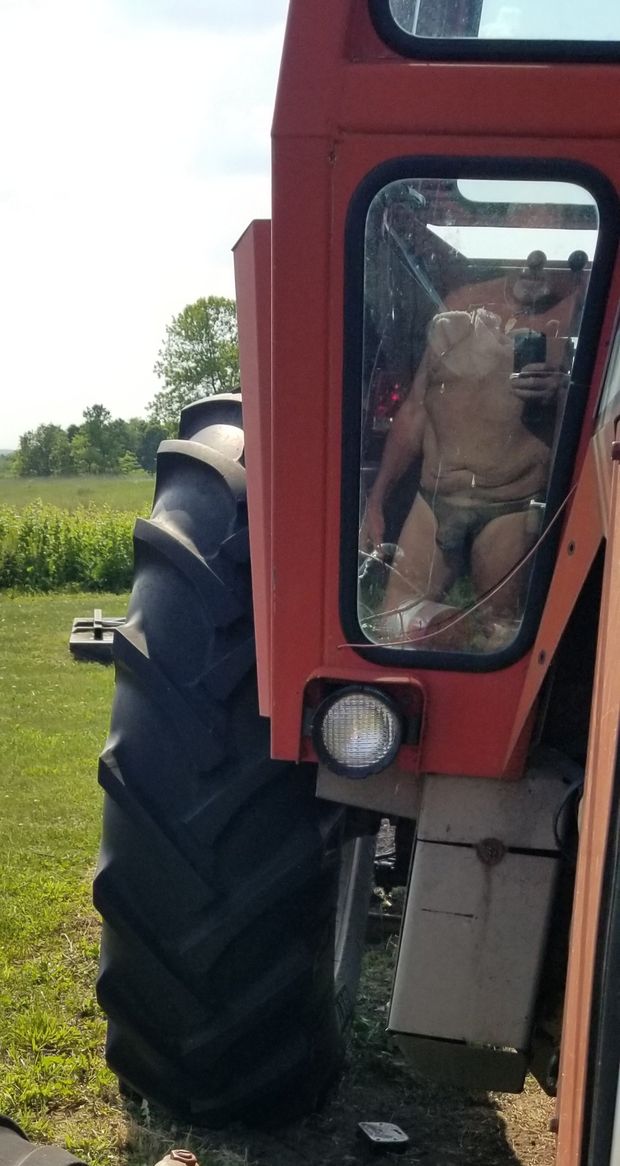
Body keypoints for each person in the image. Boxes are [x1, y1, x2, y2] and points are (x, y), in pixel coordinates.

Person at [362, 249, 586, 646]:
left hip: (511, 507)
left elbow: (603, 418)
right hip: (434, 500)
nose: (534, 260)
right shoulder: (460, 305)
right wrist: (377, 500)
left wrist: (566, 393)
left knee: (501, 638)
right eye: (526, 245)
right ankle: (448, 634)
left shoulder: (583, 314)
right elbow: (416, 409)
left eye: (547, 248)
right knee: (391, 630)